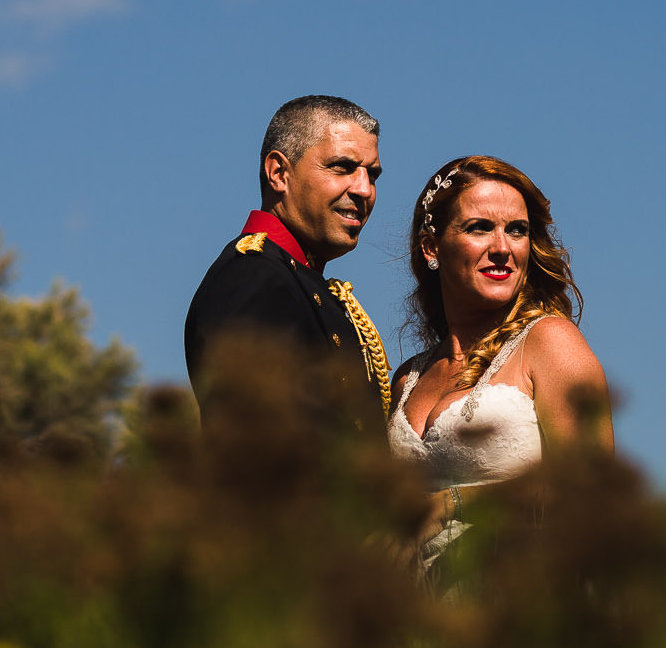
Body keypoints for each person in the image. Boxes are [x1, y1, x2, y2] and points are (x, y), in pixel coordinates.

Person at [389, 156, 611, 558]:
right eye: (480, 228)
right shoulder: (406, 380)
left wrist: (452, 503)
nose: (502, 248)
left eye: (517, 231)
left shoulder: (549, 343)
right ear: (431, 246)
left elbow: (595, 490)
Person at [183, 95, 391, 431]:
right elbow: (262, 451)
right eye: (342, 167)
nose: (364, 190)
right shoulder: (253, 277)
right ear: (279, 173)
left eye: (373, 175)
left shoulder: (294, 277)